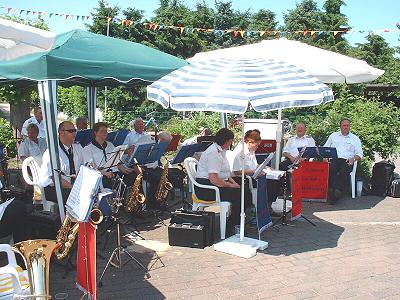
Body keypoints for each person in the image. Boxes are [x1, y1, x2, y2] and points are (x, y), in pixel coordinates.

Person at [195, 128, 252, 235]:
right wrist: (231, 186)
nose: (231, 143)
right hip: (206, 188)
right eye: (231, 141)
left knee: (245, 191)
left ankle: (237, 220)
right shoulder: (213, 153)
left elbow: (225, 172)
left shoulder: (221, 151)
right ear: (226, 141)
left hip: (214, 183)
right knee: (240, 195)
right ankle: (231, 226)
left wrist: (233, 183)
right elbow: (214, 179)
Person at [232, 129, 281, 212]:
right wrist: (254, 171)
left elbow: (254, 164)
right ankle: (264, 208)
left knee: (277, 180)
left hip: (253, 174)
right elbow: (237, 171)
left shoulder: (251, 149)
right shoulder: (240, 152)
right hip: (244, 178)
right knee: (271, 183)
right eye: (257, 145)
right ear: (250, 142)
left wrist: (264, 167)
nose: (257, 147)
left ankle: (268, 206)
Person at [40, 121, 85, 204]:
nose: (74, 133)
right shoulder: (52, 152)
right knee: (76, 198)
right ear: (61, 132)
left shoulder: (78, 147)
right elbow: (56, 178)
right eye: (71, 131)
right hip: (53, 187)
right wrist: (73, 189)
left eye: (75, 130)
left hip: (72, 185)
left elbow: (85, 167)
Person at [324, 118, 363, 204]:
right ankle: (337, 190)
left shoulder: (355, 138)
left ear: (350, 127)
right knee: (331, 168)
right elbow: (325, 148)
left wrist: (354, 159)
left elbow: (360, 154)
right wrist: (325, 157)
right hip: (334, 159)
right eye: (344, 125)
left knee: (343, 170)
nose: (346, 127)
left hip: (347, 160)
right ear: (340, 127)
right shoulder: (333, 136)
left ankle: (335, 191)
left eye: (347, 125)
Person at [83, 122, 132, 189]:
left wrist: (123, 169)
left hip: (114, 173)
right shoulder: (88, 148)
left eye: (106, 131)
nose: (105, 133)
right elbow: (90, 167)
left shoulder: (110, 145)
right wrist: (105, 173)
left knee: (133, 176)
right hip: (102, 176)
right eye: (102, 131)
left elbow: (116, 161)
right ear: (95, 132)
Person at [141, 131, 173, 209]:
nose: (167, 145)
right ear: (161, 139)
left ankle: (161, 199)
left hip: (154, 168)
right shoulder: (148, 142)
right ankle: (153, 203)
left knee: (170, 176)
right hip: (145, 168)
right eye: (167, 143)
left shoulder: (159, 144)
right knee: (156, 178)